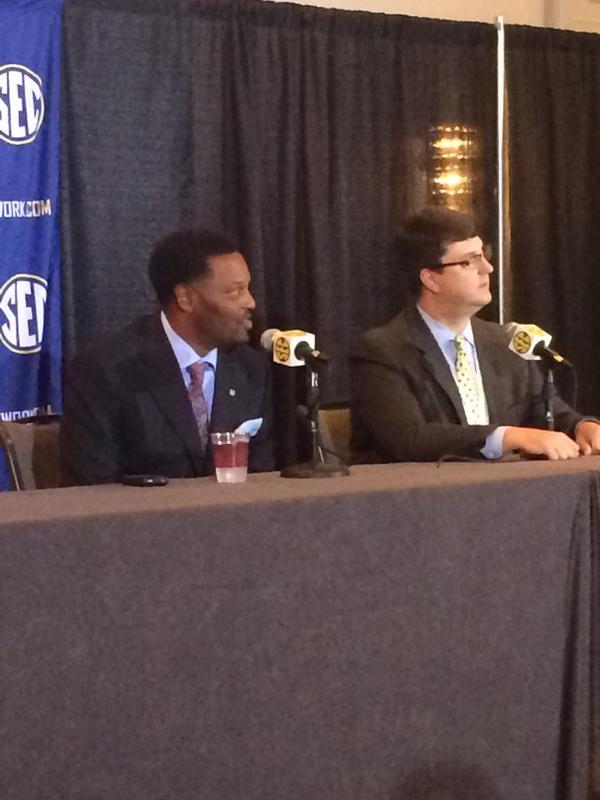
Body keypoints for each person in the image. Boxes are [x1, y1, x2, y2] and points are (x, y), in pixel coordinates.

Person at [350, 206, 600, 462]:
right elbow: (410, 438)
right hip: (421, 496)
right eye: (469, 261)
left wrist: (581, 427)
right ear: (431, 279)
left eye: (484, 255)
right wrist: (506, 437)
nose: (488, 268)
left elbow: (545, 409)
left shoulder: (505, 342)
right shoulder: (382, 350)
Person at [60, 230, 274, 484]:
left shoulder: (250, 369)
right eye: (235, 292)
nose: (250, 302)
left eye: (247, 289)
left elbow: (262, 477)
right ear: (185, 298)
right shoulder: (105, 369)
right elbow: (93, 486)